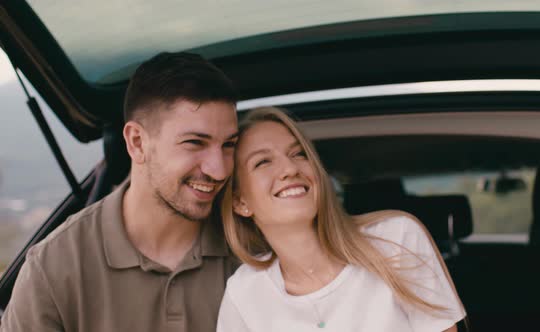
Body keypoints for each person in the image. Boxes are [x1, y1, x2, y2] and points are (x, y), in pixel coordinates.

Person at [1, 52, 241, 332]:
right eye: (195, 143)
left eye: (229, 145)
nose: (219, 169)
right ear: (137, 142)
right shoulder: (54, 266)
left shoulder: (251, 247)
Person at [217, 107, 466, 331]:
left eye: (299, 154)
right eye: (263, 162)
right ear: (241, 202)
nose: (290, 169)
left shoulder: (395, 239)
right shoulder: (244, 291)